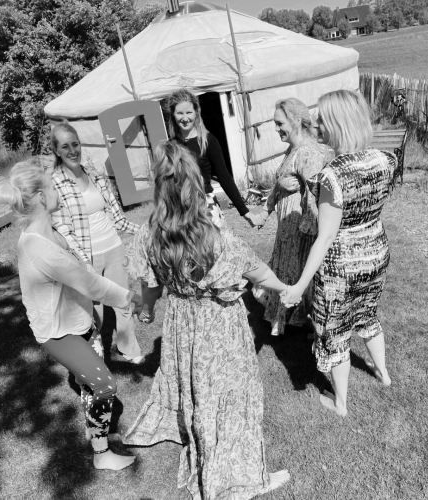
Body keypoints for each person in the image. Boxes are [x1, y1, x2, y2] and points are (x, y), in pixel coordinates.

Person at [122, 142, 290, 499]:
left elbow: (149, 288)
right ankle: (239, 474)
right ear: (193, 187)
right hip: (219, 325)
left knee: (198, 387)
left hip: (182, 322)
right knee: (231, 393)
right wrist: (287, 288)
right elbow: (258, 272)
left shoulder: (148, 234)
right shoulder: (214, 239)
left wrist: (149, 310)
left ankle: (200, 432)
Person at [0, 162, 142, 470]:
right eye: (53, 187)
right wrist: (131, 299)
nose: (59, 191)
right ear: (42, 197)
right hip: (59, 333)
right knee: (104, 385)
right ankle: (102, 455)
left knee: (89, 382)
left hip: (81, 320)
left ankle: (92, 426)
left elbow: (81, 270)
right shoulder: (40, 248)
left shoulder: (53, 231)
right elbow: (91, 283)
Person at [281, 90, 395, 417]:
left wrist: (300, 285)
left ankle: (341, 403)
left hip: (341, 266)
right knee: (367, 314)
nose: (316, 125)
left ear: (336, 123)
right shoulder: (385, 160)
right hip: (376, 252)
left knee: (334, 330)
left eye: (321, 119)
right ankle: (383, 375)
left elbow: (327, 234)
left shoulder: (332, 175)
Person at [50, 122, 145, 362]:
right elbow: (62, 229)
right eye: (65, 146)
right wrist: (84, 262)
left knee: (123, 302)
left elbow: (118, 219)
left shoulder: (95, 175)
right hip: (87, 258)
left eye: (75, 144)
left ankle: (129, 349)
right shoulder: (54, 183)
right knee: (96, 314)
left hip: (114, 248)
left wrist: (144, 231)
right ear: (56, 150)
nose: (73, 150)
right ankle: (97, 362)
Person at [252, 97, 330, 336]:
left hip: (300, 227)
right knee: (287, 272)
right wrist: (266, 210)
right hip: (287, 226)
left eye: (279, 123)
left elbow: (317, 192)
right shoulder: (293, 149)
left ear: (296, 121)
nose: (276, 129)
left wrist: (311, 227)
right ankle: (296, 319)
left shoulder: (308, 152)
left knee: (299, 275)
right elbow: (279, 183)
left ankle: (314, 327)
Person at [164, 89, 262, 228]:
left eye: (189, 112)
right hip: (181, 211)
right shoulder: (171, 146)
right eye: (180, 113)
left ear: (196, 113)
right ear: (173, 114)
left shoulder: (208, 141)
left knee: (215, 248)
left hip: (207, 207)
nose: (185, 118)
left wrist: (245, 211)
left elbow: (224, 177)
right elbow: (166, 184)